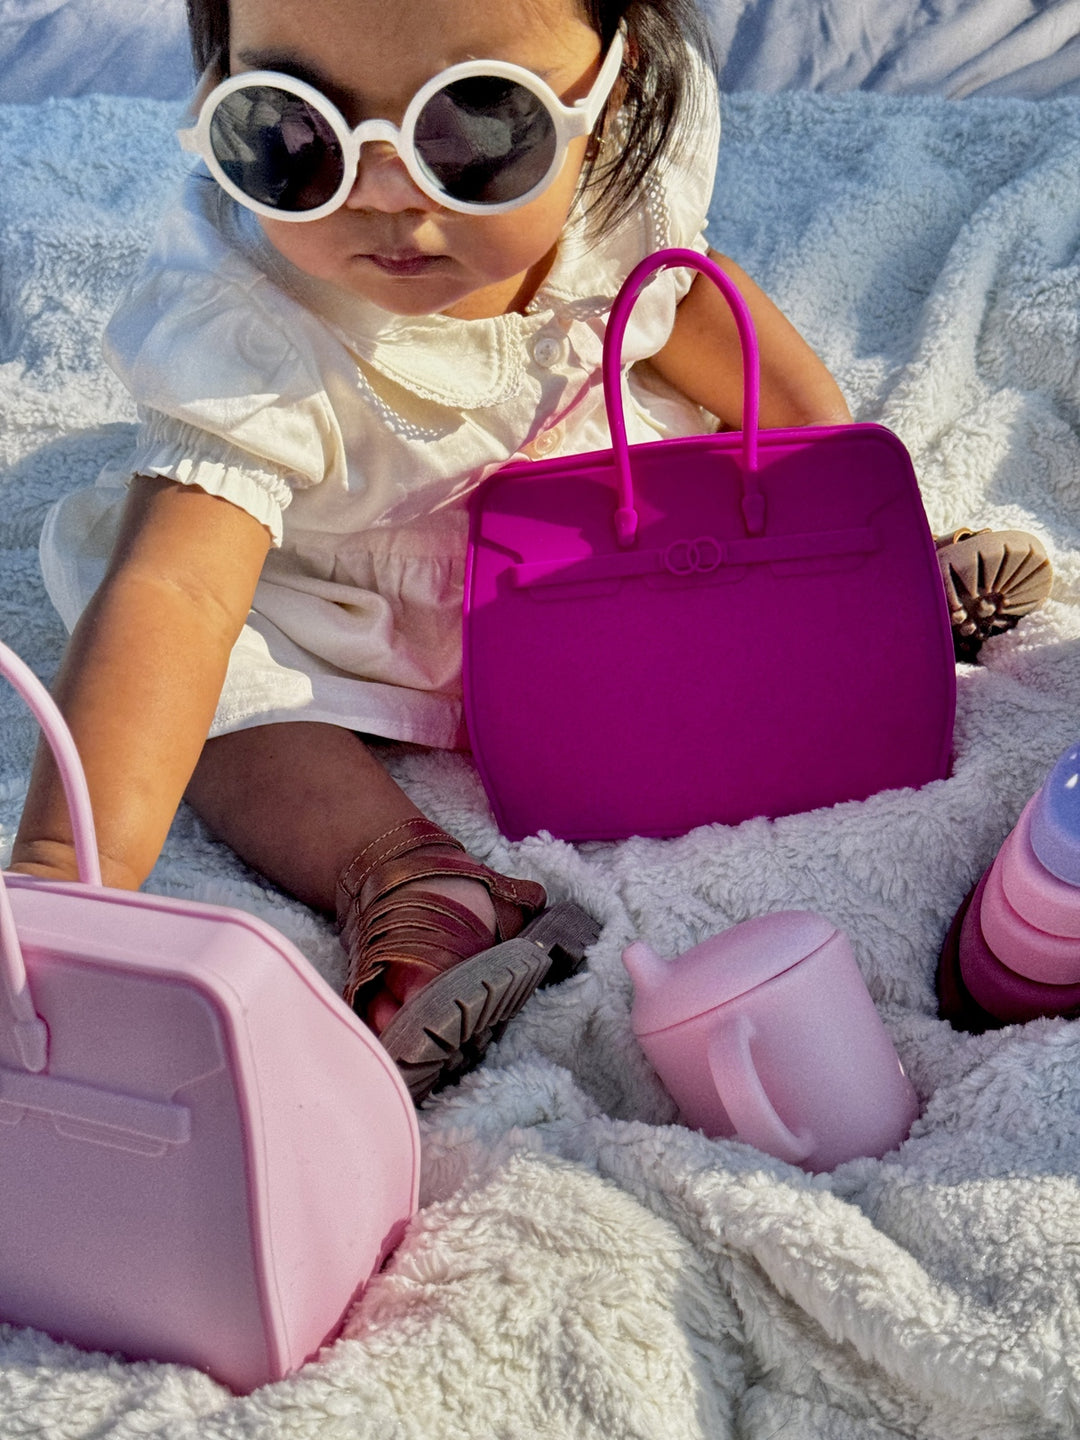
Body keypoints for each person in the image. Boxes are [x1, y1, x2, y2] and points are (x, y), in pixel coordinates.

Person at [10, 0, 1049, 1101]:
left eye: (475, 126)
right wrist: (55, 883)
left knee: (723, 539)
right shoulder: (246, 327)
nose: (386, 193)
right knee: (206, 678)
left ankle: (868, 597)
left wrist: (840, 516)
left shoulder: (611, 189)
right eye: (292, 128)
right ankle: (410, 878)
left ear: (610, 95)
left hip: (597, 541)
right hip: (361, 608)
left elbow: (696, 306)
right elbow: (177, 595)